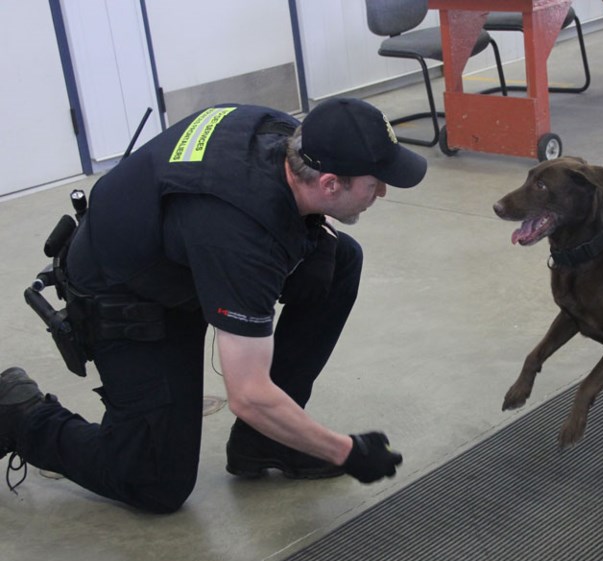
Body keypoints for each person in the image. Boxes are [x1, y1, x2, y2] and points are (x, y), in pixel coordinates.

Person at [0, 97, 427, 513]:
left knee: (337, 260)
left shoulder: (282, 135)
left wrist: (315, 231)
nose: (383, 192)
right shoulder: (241, 240)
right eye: (375, 183)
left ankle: (267, 442)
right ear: (330, 183)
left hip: (184, 250)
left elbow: (277, 214)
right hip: (127, 293)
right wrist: (346, 452)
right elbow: (247, 395)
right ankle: (18, 413)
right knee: (154, 482)